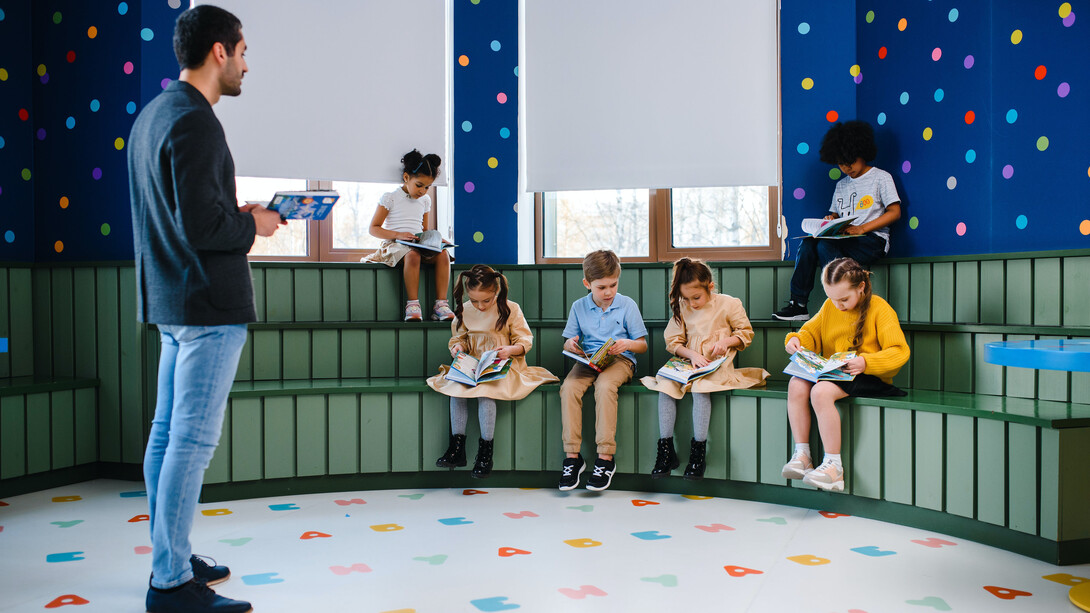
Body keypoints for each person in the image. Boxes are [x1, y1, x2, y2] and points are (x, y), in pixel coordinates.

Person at [128, 5, 283, 613]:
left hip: (170, 299)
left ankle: (171, 552)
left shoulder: (153, 116)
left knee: (166, 438)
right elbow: (201, 226)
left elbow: (178, 216)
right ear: (219, 51)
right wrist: (257, 226)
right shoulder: (197, 123)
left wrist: (231, 215)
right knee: (188, 442)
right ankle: (168, 583)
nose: (247, 65)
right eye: (243, 52)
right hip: (207, 304)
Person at [781, 257, 910, 492]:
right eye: (832, 298)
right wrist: (796, 340)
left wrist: (866, 362)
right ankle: (803, 454)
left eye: (844, 299)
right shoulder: (830, 306)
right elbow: (811, 330)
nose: (838, 305)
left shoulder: (880, 308)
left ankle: (834, 466)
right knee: (796, 384)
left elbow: (899, 352)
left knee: (820, 392)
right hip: (837, 372)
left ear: (860, 288)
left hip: (870, 375)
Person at [640, 258, 769, 480]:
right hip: (689, 363)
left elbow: (745, 333)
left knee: (701, 388)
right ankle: (665, 450)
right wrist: (692, 355)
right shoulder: (683, 307)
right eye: (686, 298)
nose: (692, 303)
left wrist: (725, 342)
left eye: (696, 297)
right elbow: (673, 342)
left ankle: (698, 452)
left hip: (715, 366)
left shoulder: (729, 304)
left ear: (710, 286)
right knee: (665, 386)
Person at [427, 265, 559, 477]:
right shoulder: (465, 309)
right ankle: (457, 448)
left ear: (496, 291)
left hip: (503, 364)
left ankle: (485, 452)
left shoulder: (510, 308)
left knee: (485, 393)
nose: (480, 306)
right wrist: (457, 348)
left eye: (486, 301)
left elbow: (524, 340)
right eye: (475, 300)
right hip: (473, 363)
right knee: (456, 390)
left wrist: (510, 350)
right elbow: (459, 337)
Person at [773, 120, 902, 321]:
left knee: (824, 247)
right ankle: (798, 304)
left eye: (850, 162)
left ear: (862, 152)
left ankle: (839, 301)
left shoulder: (881, 177)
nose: (846, 167)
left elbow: (894, 212)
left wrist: (862, 228)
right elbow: (835, 215)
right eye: (841, 163)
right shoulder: (841, 185)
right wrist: (830, 219)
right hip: (846, 239)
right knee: (809, 243)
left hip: (872, 240)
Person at [558, 250, 648, 491]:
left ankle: (605, 457)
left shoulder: (627, 305)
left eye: (613, 285)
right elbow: (569, 340)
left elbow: (642, 345)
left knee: (605, 386)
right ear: (587, 284)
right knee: (568, 388)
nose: (608, 292)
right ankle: (572, 457)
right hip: (588, 361)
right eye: (601, 287)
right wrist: (571, 345)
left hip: (620, 360)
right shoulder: (579, 306)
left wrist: (627, 344)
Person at [362, 150, 453, 322]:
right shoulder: (390, 198)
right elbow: (374, 228)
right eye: (419, 185)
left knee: (443, 254)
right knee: (413, 255)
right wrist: (399, 235)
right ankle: (412, 305)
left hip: (417, 243)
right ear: (406, 178)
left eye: (427, 187)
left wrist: (435, 240)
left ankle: (441, 305)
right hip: (394, 244)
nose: (423, 191)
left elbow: (424, 229)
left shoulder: (425, 201)